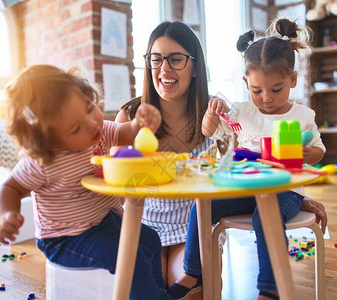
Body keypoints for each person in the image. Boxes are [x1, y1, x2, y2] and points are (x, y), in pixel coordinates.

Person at [168, 18, 326, 300]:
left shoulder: (302, 116)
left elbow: (318, 152)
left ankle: (270, 288)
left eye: (276, 89)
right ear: (246, 83)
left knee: (264, 218)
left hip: (284, 189)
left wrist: (308, 153)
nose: (266, 98)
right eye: (257, 90)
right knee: (201, 208)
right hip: (245, 188)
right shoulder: (241, 111)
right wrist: (211, 112)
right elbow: (208, 132)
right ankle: (193, 273)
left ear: (292, 79)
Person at [0, 64, 171, 300]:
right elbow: (11, 188)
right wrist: (7, 214)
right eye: (76, 128)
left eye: (90, 109)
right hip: (65, 238)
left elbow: (128, 131)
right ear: (48, 139)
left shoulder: (99, 133)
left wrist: (142, 124)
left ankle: (158, 295)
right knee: (130, 259)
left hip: (104, 221)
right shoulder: (43, 160)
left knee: (150, 239)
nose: (92, 124)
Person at [112, 21, 212, 299]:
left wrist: (294, 198)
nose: (164, 69)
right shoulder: (129, 117)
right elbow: (113, 183)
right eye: (156, 59)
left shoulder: (213, 115)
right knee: (149, 289)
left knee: (189, 289)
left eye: (176, 59)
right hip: (141, 225)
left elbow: (240, 167)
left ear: (194, 67)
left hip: (192, 228)